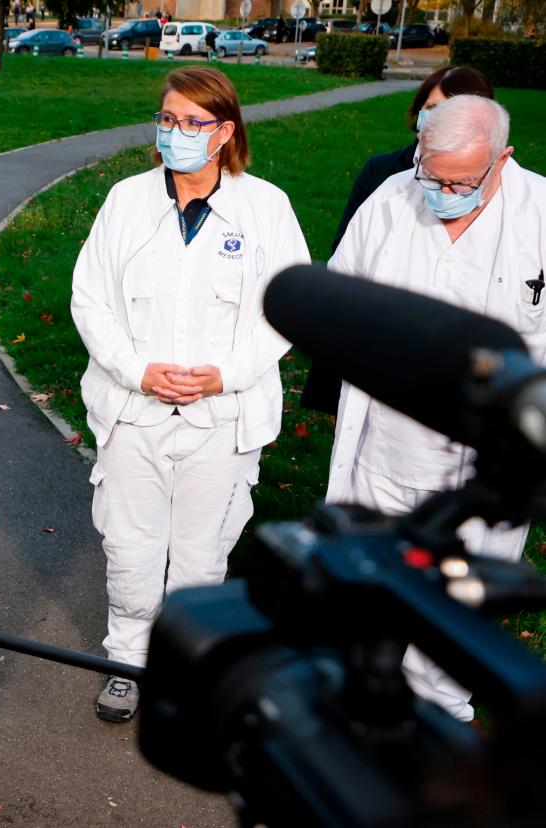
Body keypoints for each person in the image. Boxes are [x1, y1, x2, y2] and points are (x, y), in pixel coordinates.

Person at [71, 66, 309, 724]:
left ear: (225, 131)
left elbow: (287, 305)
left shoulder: (266, 208)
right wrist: (135, 369)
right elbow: (90, 298)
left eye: (194, 123)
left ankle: (188, 667)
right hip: (134, 410)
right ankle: (127, 662)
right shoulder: (126, 201)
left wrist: (225, 374)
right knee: (131, 546)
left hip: (221, 417)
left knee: (202, 555)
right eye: (168, 120)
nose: (177, 133)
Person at [327, 94, 546, 722]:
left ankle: (440, 724)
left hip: (484, 469)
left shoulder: (539, 216)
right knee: (367, 600)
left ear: (502, 159)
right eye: (433, 173)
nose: (442, 190)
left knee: (452, 626)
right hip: (385, 451)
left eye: (460, 181)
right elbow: (339, 294)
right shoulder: (393, 199)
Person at [301, 67, 495, 415]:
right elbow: (346, 260)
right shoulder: (385, 177)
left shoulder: (514, 196)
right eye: (433, 108)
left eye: (454, 109)